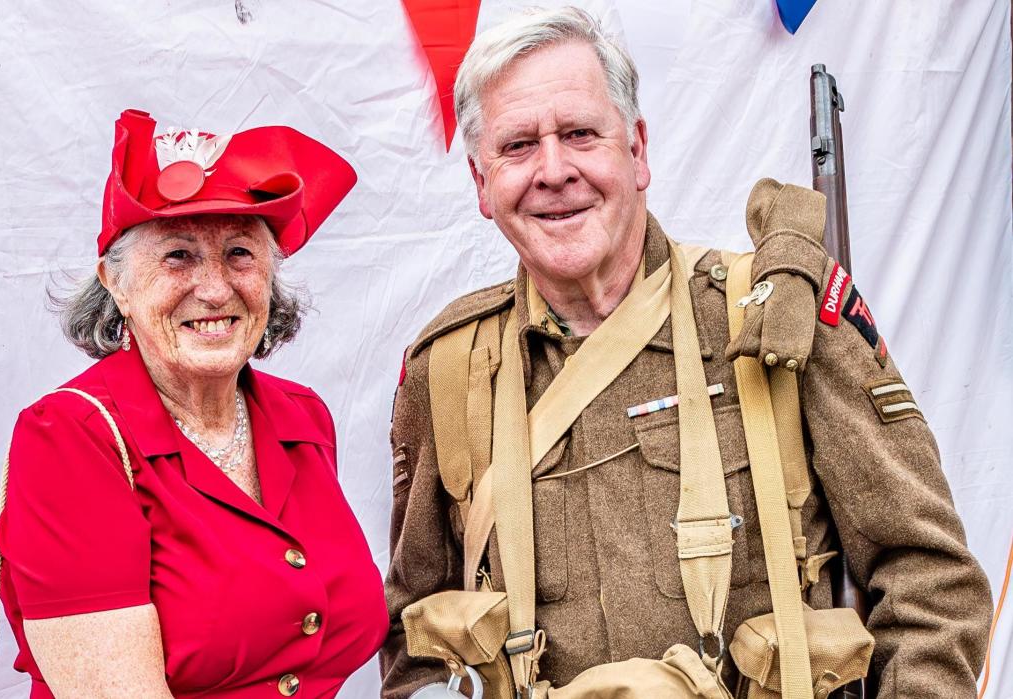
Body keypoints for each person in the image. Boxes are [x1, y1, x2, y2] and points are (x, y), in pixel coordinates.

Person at [381, 7, 992, 698]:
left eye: (580, 133)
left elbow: (930, 579)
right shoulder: (449, 368)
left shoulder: (772, 315)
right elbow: (415, 637)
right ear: (481, 184)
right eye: (518, 146)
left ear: (637, 150)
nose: (553, 170)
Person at [0, 109, 388, 698]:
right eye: (178, 255)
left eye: (239, 254)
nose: (213, 287)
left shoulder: (301, 416)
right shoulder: (70, 436)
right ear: (115, 283)